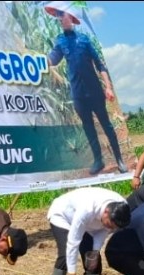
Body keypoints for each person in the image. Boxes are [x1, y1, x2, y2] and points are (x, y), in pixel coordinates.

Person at [45, 1, 126, 176]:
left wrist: (108, 87)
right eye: (58, 16)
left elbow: (100, 65)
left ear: (71, 18)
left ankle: (119, 159)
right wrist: (38, 60)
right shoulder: (60, 41)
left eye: (62, 15)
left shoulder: (84, 40)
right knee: (88, 127)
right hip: (78, 94)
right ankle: (98, 160)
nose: (60, 19)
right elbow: (53, 59)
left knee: (106, 125)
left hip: (95, 92)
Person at [46, 187, 132, 275]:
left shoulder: (121, 209)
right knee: (64, 254)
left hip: (89, 226)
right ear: (106, 212)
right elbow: (73, 242)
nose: (111, 229)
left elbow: (103, 231)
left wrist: (95, 252)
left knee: (93, 260)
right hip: (63, 216)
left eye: (115, 227)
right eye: (110, 224)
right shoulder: (87, 208)